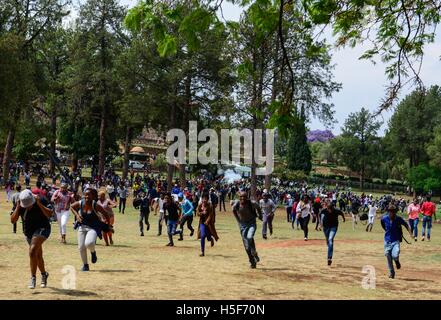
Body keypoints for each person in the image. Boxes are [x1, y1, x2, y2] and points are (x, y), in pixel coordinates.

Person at [10, 189, 52, 289]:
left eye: (29, 205)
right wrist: (18, 207)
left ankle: (33, 277)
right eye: (26, 206)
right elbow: (13, 220)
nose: (28, 207)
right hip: (29, 231)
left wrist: (39, 204)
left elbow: (50, 214)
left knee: (32, 250)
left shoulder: (41, 199)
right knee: (37, 255)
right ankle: (44, 274)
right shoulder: (19, 202)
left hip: (43, 228)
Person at [71, 188, 112, 271]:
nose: (86, 196)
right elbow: (71, 207)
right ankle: (85, 265)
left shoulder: (95, 205)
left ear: (93, 196)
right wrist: (77, 216)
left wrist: (108, 225)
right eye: (85, 194)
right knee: (81, 247)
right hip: (82, 226)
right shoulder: (81, 202)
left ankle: (93, 252)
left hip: (93, 227)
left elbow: (106, 214)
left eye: (89, 195)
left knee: (89, 243)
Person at [380, 204, 412, 279]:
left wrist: (410, 233)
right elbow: (382, 223)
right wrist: (386, 230)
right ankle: (392, 273)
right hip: (387, 241)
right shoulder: (384, 218)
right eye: (391, 212)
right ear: (388, 212)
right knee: (388, 255)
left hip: (395, 241)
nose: (392, 213)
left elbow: (406, 225)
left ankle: (397, 261)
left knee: (395, 255)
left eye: (394, 212)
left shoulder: (398, 219)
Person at [232, 191, 263, 269]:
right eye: (241, 197)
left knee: (249, 237)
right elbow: (233, 210)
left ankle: (254, 253)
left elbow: (258, 207)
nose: (242, 198)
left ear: (247, 197)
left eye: (244, 197)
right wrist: (238, 221)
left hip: (252, 223)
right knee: (246, 247)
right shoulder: (237, 204)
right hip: (243, 225)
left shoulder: (252, 203)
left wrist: (260, 216)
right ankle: (252, 261)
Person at [320, 199, 345, 266]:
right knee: (328, 241)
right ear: (327, 208)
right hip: (326, 227)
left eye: (331, 209)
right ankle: (330, 247)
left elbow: (342, 213)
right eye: (328, 209)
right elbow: (320, 215)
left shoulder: (336, 211)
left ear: (333, 208)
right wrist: (320, 224)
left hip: (333, 227)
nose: (329, 210)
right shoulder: (324, 211)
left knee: (330, 240)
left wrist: (343, 219)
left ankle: (329, 258)